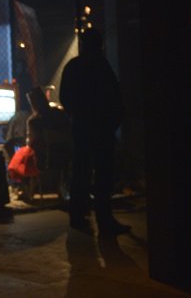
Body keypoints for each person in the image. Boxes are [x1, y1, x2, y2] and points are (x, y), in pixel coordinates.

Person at [59, 28, 130, 235]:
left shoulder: (73, 66)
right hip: (103, 128)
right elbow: (115, 97)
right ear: (100, 44)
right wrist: (113, 122)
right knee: (103, 174)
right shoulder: (102, 66)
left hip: (82, 126)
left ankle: (77, 216)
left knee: (80, 170)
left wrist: (77, 115)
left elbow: (65, 98)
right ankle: (104, 219)